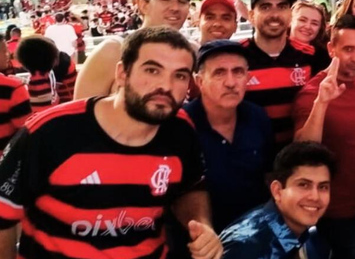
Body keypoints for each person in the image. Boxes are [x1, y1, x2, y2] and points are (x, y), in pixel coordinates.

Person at [0, 27, 223, 259]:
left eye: (179, 75)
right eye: (152, 70)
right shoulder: (50, 131)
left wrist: (201, 225)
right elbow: (3, 211)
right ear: (122, 74)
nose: (165, 86)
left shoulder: (181, 130)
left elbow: (190, 187)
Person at [293, 15, 355, 259]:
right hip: (338, 212)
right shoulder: (313, 93)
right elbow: (303, 150)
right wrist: (322, 103)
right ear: (332, 49)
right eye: (348, 49)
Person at [75, 0, 196, 99]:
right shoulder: (112, 52)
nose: (175, 7)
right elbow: (80, 115)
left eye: (182, 1)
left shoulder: (192, 51)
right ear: (144, 5)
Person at [185, 40, 274, 233]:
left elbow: (269, 175)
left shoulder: (258, 117)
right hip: (201, 241)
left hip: (255, 235)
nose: (231, 82)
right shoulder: (181, 125)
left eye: (238, 72)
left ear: (248, 78)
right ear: (199, 81)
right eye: (219, 73)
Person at [219, 141, 335, 259]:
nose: (315, 197)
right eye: (303, 185)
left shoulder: (297, 228)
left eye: (323, 187)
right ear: (277, 191)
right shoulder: (247, 248)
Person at [241, 0, 316, 151]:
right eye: (266, 7)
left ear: (290, 15)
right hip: (252, 159)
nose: (274, 14)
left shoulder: (309, 56)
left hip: (297, 157)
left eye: (281, 7)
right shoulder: (237, 57)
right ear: (252, 16)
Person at [0, 34, 31, 152]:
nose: (8, 54)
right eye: (3, 50)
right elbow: (26, 132)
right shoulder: (13, 88)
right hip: (6, 164)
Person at [15, 36, 59, 113]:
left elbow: (40, 104)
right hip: (52, 112)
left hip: (41, 118)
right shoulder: (47, 73)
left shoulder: (37, 78)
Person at [290, 0, 331, 71]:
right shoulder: (274, 50)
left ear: (320, 28)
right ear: (290, 21)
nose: (308, 26)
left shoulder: (324, 57)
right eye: (302, 20)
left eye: (314, 23)